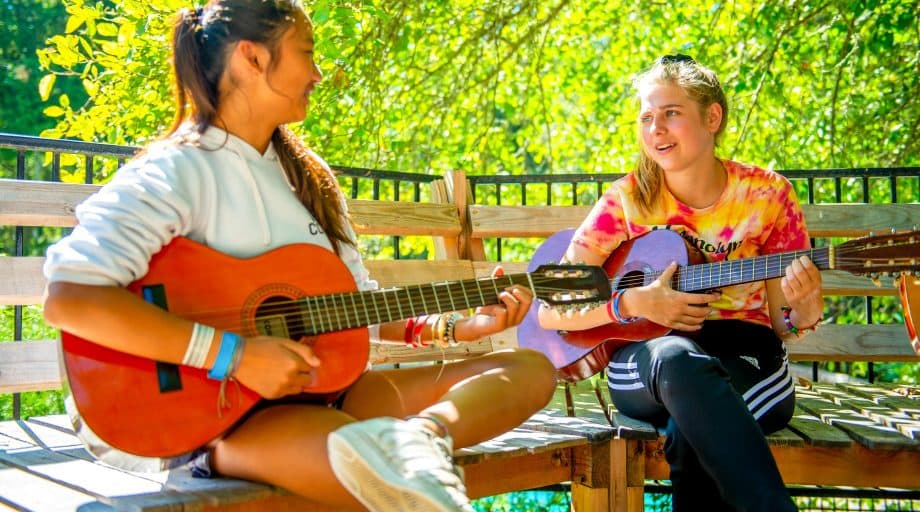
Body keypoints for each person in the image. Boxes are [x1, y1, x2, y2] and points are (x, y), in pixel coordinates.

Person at [40, 1, 558, 511]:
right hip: (223, 416)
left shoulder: (310, 181)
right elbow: (71, 300)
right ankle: (271, 455)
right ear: (253, 58)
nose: (316, 72)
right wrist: (235, 356)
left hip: (324, 395)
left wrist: (457, 329)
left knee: (529, 370)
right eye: (306, 52)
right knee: (381, 479)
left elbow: (358, 305)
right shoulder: (176, 171)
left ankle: (422, 438)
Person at [538, 54, 823, 512]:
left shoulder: (768, 195)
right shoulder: (626, 201)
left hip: (744, 354)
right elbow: (552, 305)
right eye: (647, 117)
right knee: (676, 357)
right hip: (648, 358)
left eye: (671, 113)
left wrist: (804, 309)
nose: (656, 129)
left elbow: (783, 323)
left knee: (691, 429)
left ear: (713, 117)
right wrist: (633, 303)